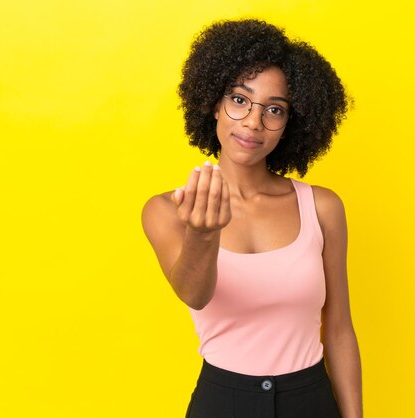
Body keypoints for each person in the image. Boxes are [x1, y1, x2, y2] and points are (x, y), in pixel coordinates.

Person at [142, 19, 362, 418]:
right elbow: (194, 294)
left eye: (273, 109)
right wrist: (203, 234)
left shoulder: (322, 207)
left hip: (310, 400)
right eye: (240, 100)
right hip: (222, 401)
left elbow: (340, 329)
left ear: (290, 125)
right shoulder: (167, 210)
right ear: (213, 103)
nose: (253, 122)